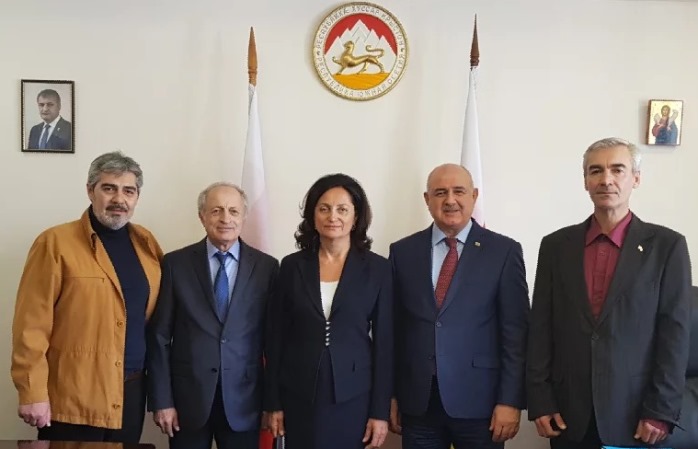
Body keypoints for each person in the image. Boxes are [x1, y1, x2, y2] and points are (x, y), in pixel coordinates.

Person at [527, 137, 692, 448]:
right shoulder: (555, 246)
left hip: (637, 416)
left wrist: (661, 410)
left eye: (617, 170)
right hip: (567, 414)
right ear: (585, 181)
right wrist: (540, 399)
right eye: (596, 171)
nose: (606, 180)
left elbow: (675, 335)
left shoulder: (667, 247)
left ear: (636, 178)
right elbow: (541, 328)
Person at [11, 151, 163, 443]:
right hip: (73, 396)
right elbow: (31, 326)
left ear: (136, 197)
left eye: (128, 191)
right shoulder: (55, 243)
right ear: (90, 190)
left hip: (130, 395)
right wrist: (32, 392)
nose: (119, 199)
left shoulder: (146, 244)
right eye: (109, 188)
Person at [389, 163, 529, 449]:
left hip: (482, 404)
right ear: (427, 199)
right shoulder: (402, 252)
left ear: (474, 196)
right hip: (418, 404)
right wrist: (389, 396)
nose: (450, 200)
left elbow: (516, 334)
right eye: (440, 192)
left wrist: (510, 400)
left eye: (459, 191)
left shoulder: (503, 251)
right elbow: (393, 330)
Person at [147, 182, 279, 449]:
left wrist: (273, 404)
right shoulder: (175, 264)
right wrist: (162, 400)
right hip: (187, 402)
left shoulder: (267, 267)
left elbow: (274, 343)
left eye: (233, 211)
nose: (225, 218)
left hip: (246, 402)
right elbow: (159, 336)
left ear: (244, 217)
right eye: (216, 210)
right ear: (202, 216)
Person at [265, 174, 393, 449]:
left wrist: (380, 412)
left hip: (354, 394)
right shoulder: (291, 266)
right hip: (298, 392)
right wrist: (273, 403)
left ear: (356, 217)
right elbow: (275, 338)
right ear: (313, 216)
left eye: (342, 209)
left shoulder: (378, 269)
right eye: (324, 208)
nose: (332, 216)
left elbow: (385, 345)